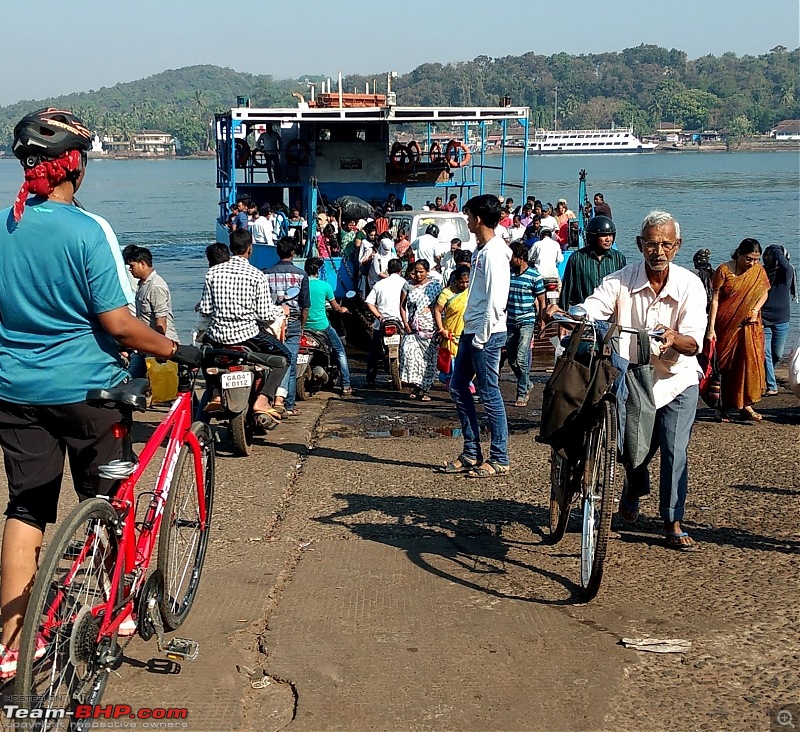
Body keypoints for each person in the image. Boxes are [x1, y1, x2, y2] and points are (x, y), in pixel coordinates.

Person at [0, 108, 187, 675]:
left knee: (27, 505)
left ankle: (11, 644)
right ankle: (119, 606)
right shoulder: (89, 230)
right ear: (74, 167)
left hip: (14, 391)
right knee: (107, 497)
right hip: (88, 392)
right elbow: (120, 324)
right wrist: (174, 349)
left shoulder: (6, 226)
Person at [556, 210, 707, 551]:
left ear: (677, 246)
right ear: (640, 245)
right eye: (652, 244)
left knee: (673, 451)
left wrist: (674, 338)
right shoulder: (621, 280)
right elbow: (594, 306)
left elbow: (694, 341)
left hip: (677, 379)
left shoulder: (690, 285)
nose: (659, 251)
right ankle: (632, 487)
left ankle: (672, 521)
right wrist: (574, 315)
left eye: (666, 244)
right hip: (632, 380)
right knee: (626, 449)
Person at [443, 193, 511, 478]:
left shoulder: (495, 253)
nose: (468, 221)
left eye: (469, 216)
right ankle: (471, 450)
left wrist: (482, 337)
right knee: (458, 387)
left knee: (489, 393)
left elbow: (497, 300)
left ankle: (500, 457)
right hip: (471, 331)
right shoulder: (482, 250)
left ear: (478, 219)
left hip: (487, 334)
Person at [199, 228, 291, 422]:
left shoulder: (212, 273)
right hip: (248, 336)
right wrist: (281, 311)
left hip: (218, 336)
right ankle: (264, 399)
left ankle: (215, 392)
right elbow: (265, 314)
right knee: (285, 357)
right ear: (250, 249)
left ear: (231, 248)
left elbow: (206, 309)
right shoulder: (257, 275)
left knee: (204, 355)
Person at [706, 238, 770, 422]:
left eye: (756, 259)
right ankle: (720, 407)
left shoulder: (758, 271)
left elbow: (764, 292)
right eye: (749, 259)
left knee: (746, 363)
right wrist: (711, 328)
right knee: (724, 366)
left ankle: (745, 404)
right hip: (726, 324)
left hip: (750, 326)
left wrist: (755, 309)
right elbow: (715, 299)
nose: (753, 263)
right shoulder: (724, 270)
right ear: (739, 254)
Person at [264, 237, 311, 417]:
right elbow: (305, 305)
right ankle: (287, 404)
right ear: (293, 253)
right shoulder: (301, 275)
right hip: (292, 323)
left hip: (270, 324)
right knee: (289, 363)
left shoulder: (265, 274)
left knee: (269, 362)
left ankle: (268, 398)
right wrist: (301, 326)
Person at [126, 246, 180, 379]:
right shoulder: (142, 284)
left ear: (143, 264)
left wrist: (159, 348)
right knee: (132, 380)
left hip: (158, 346)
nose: (130, 269)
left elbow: (161, 321)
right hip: (145, 345)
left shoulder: (156, 286)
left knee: (163, 387)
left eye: (132, 266)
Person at [506, 241, 546, 407]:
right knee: (511, 359)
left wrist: (542, 323)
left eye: (512, 257)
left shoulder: (534, 276)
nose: (510, 260)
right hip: (510, 321)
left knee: (522, 357)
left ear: (520, 258)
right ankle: (527, 383)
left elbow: (542, 301)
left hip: (527, 321)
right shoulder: (508, 274)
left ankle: (522, 393)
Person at [304, 257, 352, 395]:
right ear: (317, 271)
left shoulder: (300, 285)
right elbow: (336, 308)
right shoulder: (325, 286)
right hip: (322, 326)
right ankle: (346, 385)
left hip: (304, 326)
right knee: (340, 351)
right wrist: (344, 310)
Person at [559, 215, 626, 309]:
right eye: (603, 235)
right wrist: (562, 314)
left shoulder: (618, 258)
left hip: (610, 314)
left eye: (610, 235)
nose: (608, 239)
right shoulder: (577, 258)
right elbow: (567, 289)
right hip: (584, 314)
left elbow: (624, 289)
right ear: (593, 237)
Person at [399, 260, 443, 400]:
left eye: (421, 272)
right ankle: (417, 385)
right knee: (408, 354)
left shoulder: (435, 286)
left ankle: (424, 390)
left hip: (430, 329)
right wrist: (405, 323)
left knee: (428, 361)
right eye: (415, 272)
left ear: (427, 272)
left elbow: (441, 307)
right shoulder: (408, 285)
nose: (417, 275)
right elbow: (402, 305)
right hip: (413, 329)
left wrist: (430, 311)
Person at [365, 258, 407, 387]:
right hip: (401, 322)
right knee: (406, 350)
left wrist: (379, 316)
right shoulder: (406, 283)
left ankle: (370, 379)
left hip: (382, 323)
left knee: (374, 352)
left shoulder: (380, 284)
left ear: (388, 270)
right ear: (400, 270)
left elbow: (369, 302)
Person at [761, 245, 796, 396]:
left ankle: (764, 377)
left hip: (781, 319)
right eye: (766, 255)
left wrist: (776, 250)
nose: (767, 257)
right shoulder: (762, 272)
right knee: (765, 352)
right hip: (763, 318)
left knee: (777, 354)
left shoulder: (786, 273)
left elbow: (785, 264)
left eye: (771, 255)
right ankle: (771, 385)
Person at [433, 265, 471, 384]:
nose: (464, 285)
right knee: (452, 366)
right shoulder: (447, 293)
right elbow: (437, 311)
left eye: (467, 282)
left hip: (467, 332)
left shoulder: (472, 291)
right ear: (456, 280)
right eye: (461, 282)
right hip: (450, 335)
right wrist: (441, 329)